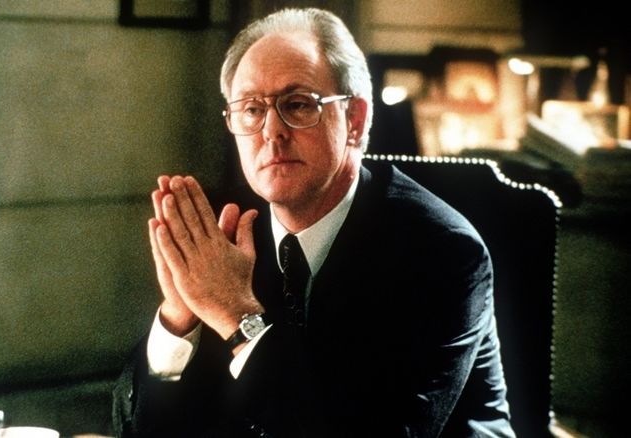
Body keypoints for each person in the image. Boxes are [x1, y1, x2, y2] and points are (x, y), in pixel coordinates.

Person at [111, 7, 514, 438]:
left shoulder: (442, 252)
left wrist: (238, 316)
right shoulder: (230, 229)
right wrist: (180, 320)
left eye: (297, 104)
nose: (271, 131)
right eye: (251, 109)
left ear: (355, 120)